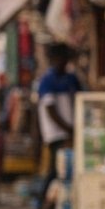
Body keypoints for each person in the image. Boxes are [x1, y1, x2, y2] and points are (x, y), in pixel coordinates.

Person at [35, 43, 81, 191]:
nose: (63, 62)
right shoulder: (48, 80)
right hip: (55, 133)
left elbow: (81, 98)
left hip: (69, 130)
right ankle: (43, 199)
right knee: (56, 169)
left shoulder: (71, 78)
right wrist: (69, 129)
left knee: (65, 168)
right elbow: (51, 110)